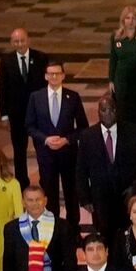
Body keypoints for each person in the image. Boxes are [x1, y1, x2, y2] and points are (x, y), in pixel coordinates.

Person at [78, 94, 136, 241]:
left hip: (127, 195)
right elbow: (81, 169)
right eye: (104, 110)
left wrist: (135, 187)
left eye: (112, 109)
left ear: (117, 111)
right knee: (105, 235)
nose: (108, 113)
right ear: (98, 112)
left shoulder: (132, 131)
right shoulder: (87, 136)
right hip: (100, 197)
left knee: (129, 234)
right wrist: (85, 198)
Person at [26, 63, 87, 220]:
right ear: (45, 76)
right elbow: (29, 126)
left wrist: (67, 140)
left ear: (63, 75)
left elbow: (83, 127)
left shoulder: (73, 97)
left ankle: (73, 231)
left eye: (57, 73)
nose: (54, 77)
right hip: (46, 155)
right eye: (50, 74)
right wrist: (45, 139)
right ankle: (53, 229)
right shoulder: (35, 97)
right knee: (49, 194)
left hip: (68, 154)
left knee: (71, 194)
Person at [0, 29, 50, 187]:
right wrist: (4, 115)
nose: (19, 44)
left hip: (37, 112)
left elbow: (46, 86)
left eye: (22, 40)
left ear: (28, 40)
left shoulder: (40, 58)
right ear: (12, 43)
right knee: (19, 150)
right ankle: (21, 182)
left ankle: (45, 179)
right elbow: (3, 88)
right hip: (17, 114)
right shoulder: (6, 61)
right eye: (16, 41)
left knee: (41, 148)